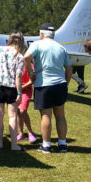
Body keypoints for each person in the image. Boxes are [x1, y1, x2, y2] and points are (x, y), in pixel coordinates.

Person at [24, 23, 73, 153]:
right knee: (60, 115)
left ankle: (46, 145)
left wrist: (31, 73)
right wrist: (66, 83)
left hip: (44, 84)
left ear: (41, 34)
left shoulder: (37, 44)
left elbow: (26, 57)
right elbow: (69, 68)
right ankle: (62, 144)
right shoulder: (61, 48)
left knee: (46, 116)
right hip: (60, 84)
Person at [0, 32, 25, 151]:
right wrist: (19, 93)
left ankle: (0, 142)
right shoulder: (20, 56)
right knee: (12, 117)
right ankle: (14, 145)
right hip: (12, 88)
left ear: (10, 39)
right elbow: (18, 77)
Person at [17, 65, 38, 143]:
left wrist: (20, 88)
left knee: (22, 110)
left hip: (26, 91)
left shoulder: (31, 66)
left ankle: (30, 132)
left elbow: (31, 81)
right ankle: (21, 133)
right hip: (16, 91)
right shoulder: (16, 64)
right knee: (17, 112)